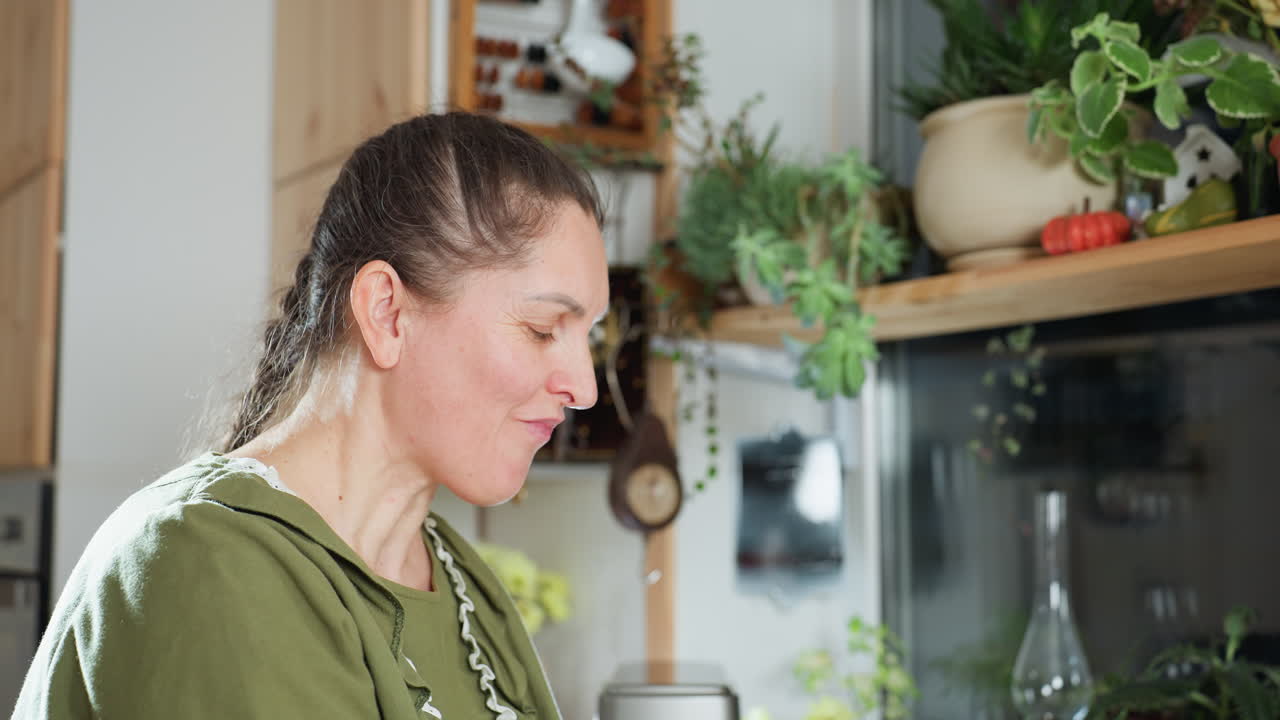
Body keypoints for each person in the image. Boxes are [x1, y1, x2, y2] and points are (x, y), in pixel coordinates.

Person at [13, 112, 609, 720]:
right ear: (386, 314)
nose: (584, 387)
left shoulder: (461, 579)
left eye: (591, 337)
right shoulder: (206, 565)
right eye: (541, 330)